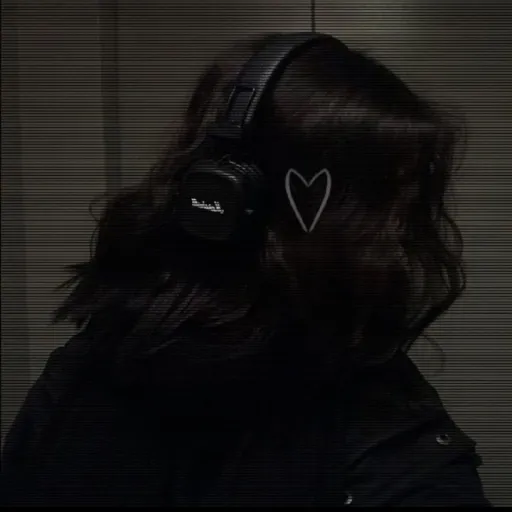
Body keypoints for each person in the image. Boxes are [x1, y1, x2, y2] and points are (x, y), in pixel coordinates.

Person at [1, 32, 492, 507]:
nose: (403, 235)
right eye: (388, 204)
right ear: (227, 191)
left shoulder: (85, 370)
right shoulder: (89, 374)